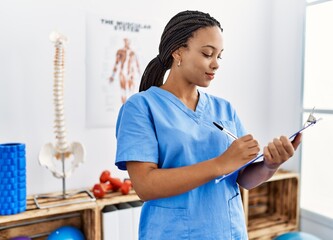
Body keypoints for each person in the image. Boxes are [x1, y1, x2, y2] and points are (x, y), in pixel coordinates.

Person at [115, 10, 302, 240]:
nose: (215, 64)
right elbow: (145, 186)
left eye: (219, 56)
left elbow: (243, 178)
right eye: (207, 54)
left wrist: (269, 165)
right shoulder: (141, 107)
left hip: (228, 232)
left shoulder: (224, 109)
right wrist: (220, 164)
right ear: (177, 52)